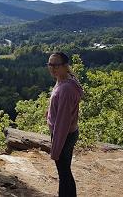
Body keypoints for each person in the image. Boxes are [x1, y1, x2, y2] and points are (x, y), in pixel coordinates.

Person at [46, 52, 84, 197]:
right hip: (68, 133)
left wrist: (56, 148)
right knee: (65, 171)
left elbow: (63, 122)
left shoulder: (66, 88)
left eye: (56, 65)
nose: (53, 68)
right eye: (50, 64)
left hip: (64, 135)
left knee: (64, 173)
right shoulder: (64, 80)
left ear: (65, 66)